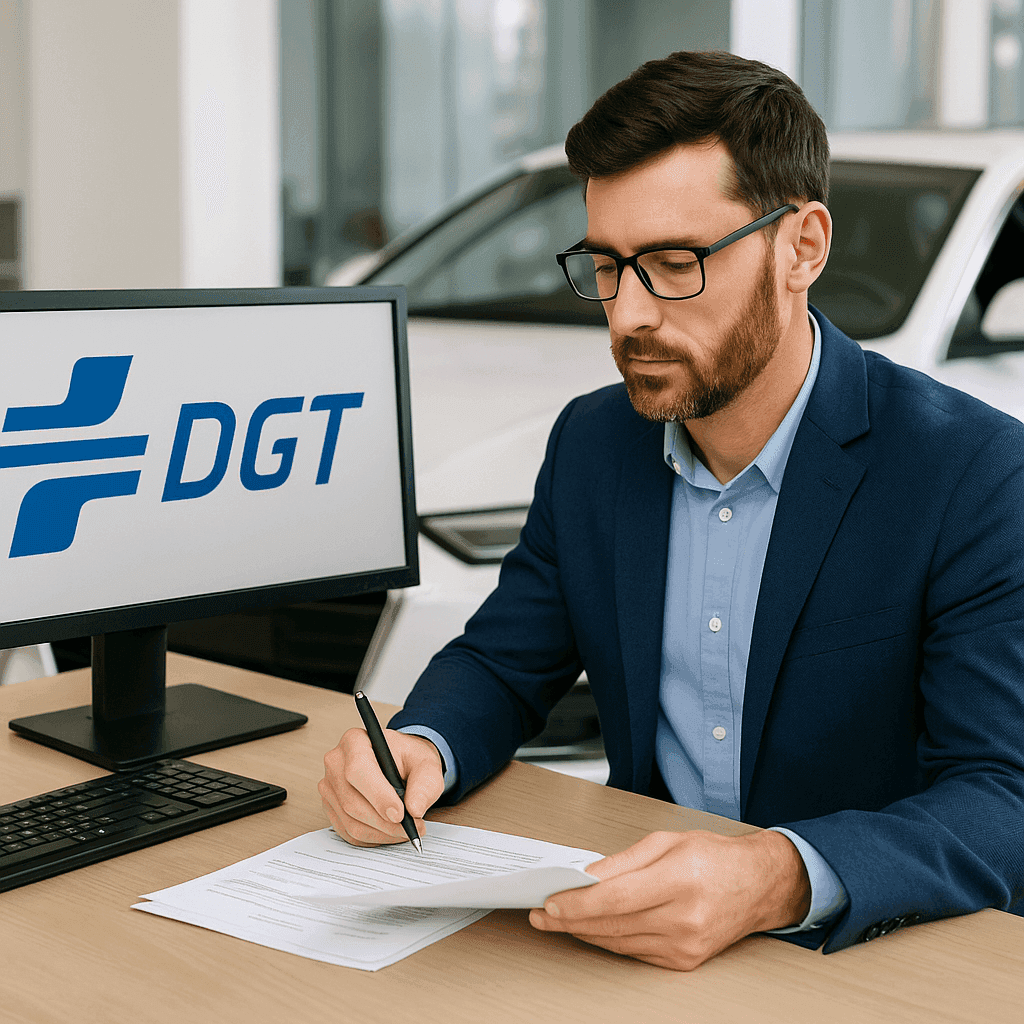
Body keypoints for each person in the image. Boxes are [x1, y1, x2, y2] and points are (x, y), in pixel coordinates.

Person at [319, 50, 1024, 970]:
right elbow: (502, 660)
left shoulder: (973, 471)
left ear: (801, 247)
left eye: (674, 264)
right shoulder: (593, 443)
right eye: (607, 266)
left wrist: (777, 875)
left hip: (860, 960)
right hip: (633, 940)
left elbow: (1002, 796)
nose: (626, 317)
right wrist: (422, 745)